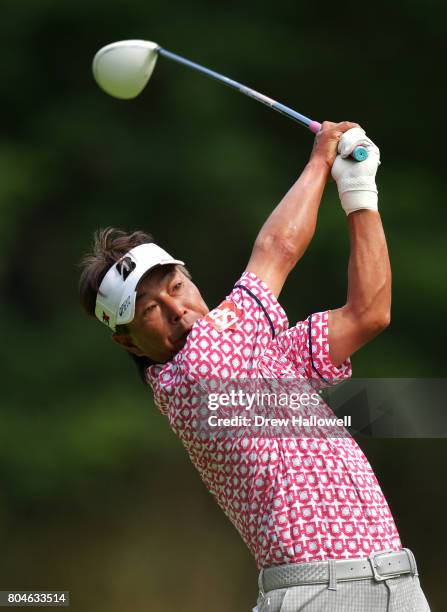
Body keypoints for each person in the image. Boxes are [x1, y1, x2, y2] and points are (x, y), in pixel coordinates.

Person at [79, 122, 431, 611]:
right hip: (319, 592)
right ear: (127, 340)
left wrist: (359, 192)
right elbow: (276, 252)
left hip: (398, 580)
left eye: (176, 287)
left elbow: (368, 313)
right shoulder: (194, 374)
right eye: (149, 309)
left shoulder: (258, 358)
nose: (177, 310)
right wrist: (321, 159)